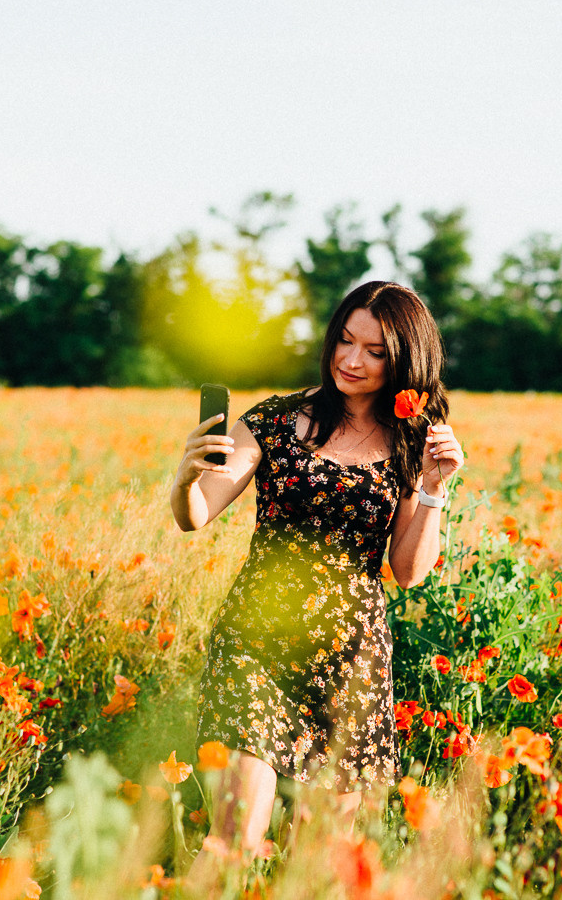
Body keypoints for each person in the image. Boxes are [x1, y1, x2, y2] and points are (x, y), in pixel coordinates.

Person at [170, 280, 464, 878]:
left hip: (351, 659)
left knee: (319, 860)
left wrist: (434, 488)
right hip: (258, 645)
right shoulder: (276, 421)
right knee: (234, 840)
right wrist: (184, 479)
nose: (351, 361)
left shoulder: (412, 444)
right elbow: (196, 515)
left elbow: (407, 573)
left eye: (375, 351)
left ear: (405, 360)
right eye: (344, 342)